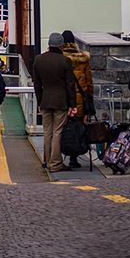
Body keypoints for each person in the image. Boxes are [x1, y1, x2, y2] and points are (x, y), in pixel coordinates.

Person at [33, 32, 77, 172]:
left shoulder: (38, 60)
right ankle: (56, 163)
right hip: (60, 101)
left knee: (47, 132)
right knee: (57, 132)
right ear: (61, 45)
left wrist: (40, 101)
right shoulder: (65, 61)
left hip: (45, 100)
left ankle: (47, 160)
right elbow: (70, 85)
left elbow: (37, 84)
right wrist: (73, 104)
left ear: (49, 44)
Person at [61, 30, 94, 169]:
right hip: (80, 98)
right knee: (78, 129)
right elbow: (89, 81)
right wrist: (89, 98)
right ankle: (74, 158)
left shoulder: (60, 58)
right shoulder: (83, 59)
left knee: (63, 128)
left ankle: (62, 154)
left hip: (65, 99)